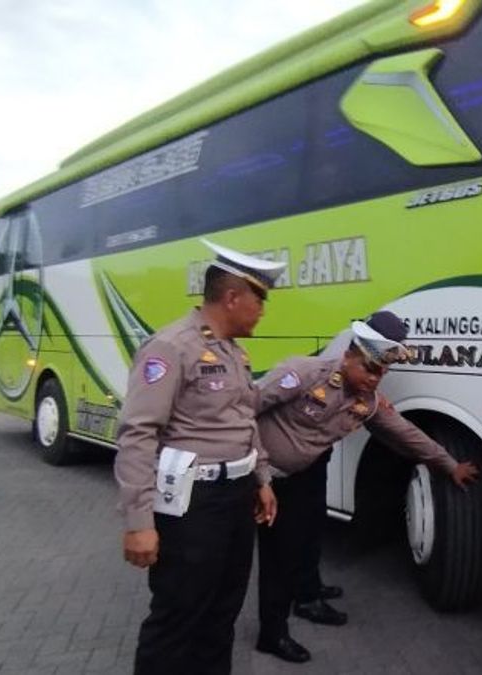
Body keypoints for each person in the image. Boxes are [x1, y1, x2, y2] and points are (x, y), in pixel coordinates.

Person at [251, 310, 479, 663]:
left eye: (382, 373)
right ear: (348, 357)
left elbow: (406, 434)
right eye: (370, 370)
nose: (375, 380)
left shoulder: (365, 402)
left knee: (297, 544)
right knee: (267, 557)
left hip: (301, 477)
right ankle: (262, 632)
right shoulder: (304, 373)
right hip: (260, 478)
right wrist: (257, 473)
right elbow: (244, 411)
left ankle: (292, 613)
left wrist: (449, 465)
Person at [114, 239, 285, 675]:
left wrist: (261, 479)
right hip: (191, 504)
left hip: (236, 498)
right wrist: (139, 524)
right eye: (260, 299)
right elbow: (138, 434)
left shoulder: (234, 352)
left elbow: (245, 421)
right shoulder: (171, 347)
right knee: (177, 616)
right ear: (232, 297)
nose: (263, 310)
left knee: (221, 614)